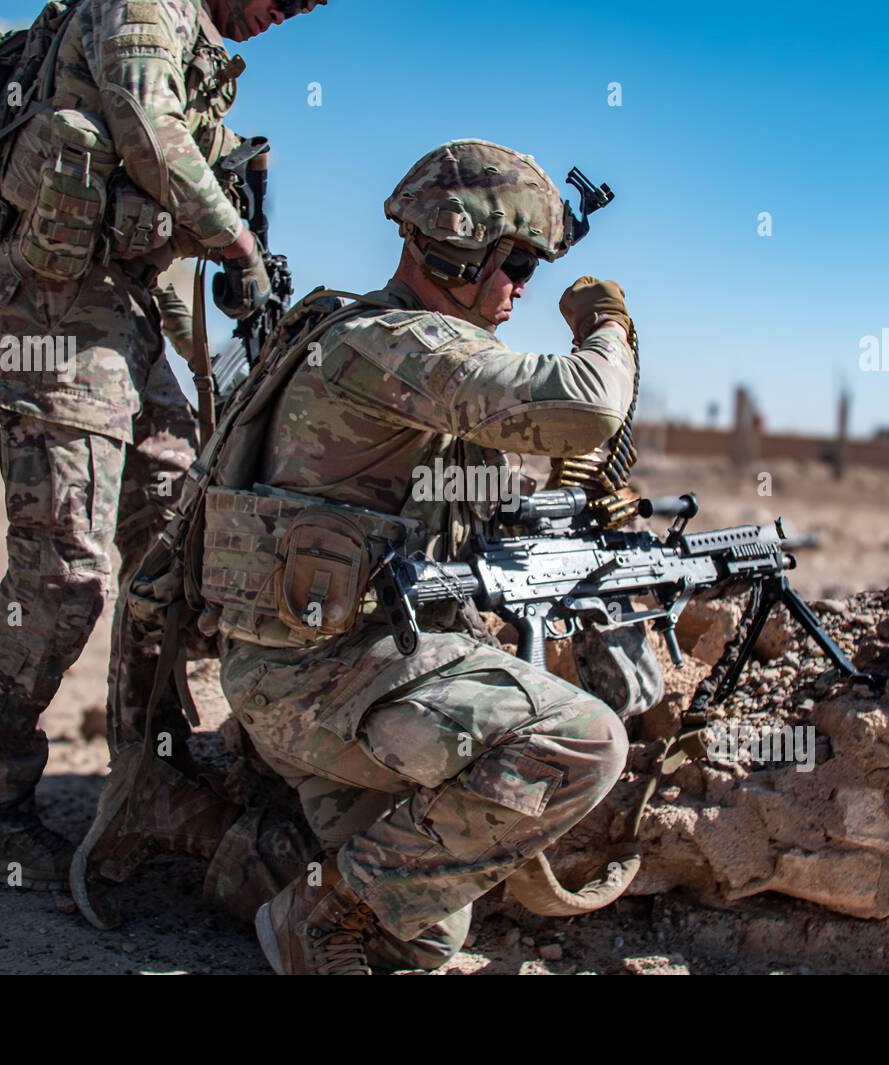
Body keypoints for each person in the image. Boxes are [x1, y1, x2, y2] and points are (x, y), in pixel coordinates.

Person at [75, 138, 638, 973]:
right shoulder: (393, 346)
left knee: (422, 932)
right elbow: (587, 408)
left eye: (534, 268)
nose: (523, 285)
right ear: (454, 247)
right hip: (330, 686)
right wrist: (606, 318)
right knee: (584, 740)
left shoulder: (375, 342)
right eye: (515, 261)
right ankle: (322, 909)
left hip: (313, 680)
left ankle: (237, 852)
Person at [0, 0, 327, 892]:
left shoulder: (206, 49)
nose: (284, 14)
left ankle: (148, 761)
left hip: (127, 314)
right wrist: (238, 241)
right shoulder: (145, 8)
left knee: (172, 540)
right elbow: (149, 135)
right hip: (58, 311)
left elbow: (161, 229)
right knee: (64, 570)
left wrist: (218, 365)